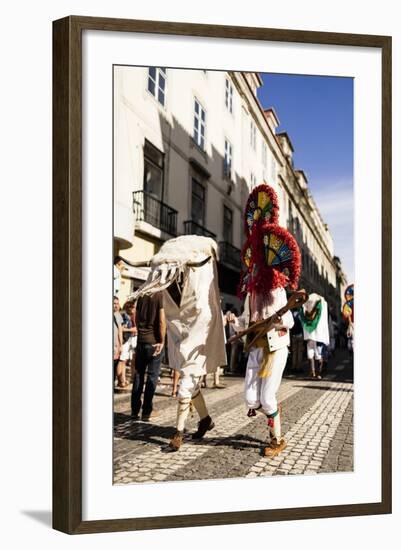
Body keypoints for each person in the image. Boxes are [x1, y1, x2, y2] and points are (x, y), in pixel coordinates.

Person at [129, 235, 226, 451]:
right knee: (192, 387)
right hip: (182, 339)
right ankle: (206, 420)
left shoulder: (200, 299)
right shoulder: (167, 296)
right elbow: (171, 316)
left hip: (199, 340)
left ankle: (178, 434)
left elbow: (197, 311)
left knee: (185, 387)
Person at [227, 183, 301, 458]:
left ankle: (277, 438)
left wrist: (273, 322)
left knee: (268, 398)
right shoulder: (251, 293)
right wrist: (234, 321)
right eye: (253, 263)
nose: (255, 268)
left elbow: (290, 322)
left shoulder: (278, 290)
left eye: (258, 263)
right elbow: (245, 321)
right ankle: (266, 415)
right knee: (250, 398)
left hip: (275, 347)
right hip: (255, 346)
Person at [130, 291, 166, 421]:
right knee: (152, 376)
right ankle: (146, 411)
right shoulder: (159, 295)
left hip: (141, 341)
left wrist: (141, 331)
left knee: (138, 375)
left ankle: (134, 411)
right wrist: (161, 341)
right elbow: (162, 321)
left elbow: (136, 316)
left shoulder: (142, 295)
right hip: (154, 342)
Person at [299, 293, 330, 380]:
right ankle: (313, 372)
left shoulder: (318, 306)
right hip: (312, 336)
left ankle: (317, 373)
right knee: (312, 355)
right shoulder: (318, 305)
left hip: (315, 336)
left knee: (317, 355)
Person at [115, 301, 137, 388]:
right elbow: (121, 329)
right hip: (123, 341)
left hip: (126, 340)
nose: (135, 309)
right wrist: (132, 330)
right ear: (129, 307)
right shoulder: (123, 315)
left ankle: (123, 380)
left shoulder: (127, 315)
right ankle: (120, 381)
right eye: (133, 307)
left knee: (124, 361)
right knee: (121, 361)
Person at [113, 296, 123, 385]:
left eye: (117, 303)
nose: (116, 306)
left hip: (115, 347)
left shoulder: (118, 315)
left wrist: (120, 346)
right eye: (114, 303)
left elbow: (120, 331)